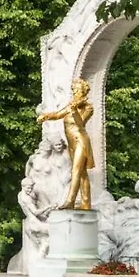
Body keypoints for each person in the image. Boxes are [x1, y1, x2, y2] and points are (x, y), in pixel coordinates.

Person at [37, 78, 95, 210]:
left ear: (83, 92)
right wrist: (45, 116)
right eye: (73, 91)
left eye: (77, 91)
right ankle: (86, 203)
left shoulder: (88, 107)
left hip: (81, 141)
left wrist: (74, 110)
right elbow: (57, 115)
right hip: (71, 143)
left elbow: (81, 123)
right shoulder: (70, 106)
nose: (74, 93)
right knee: (82, 173)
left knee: (76, 170)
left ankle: (70, 200)